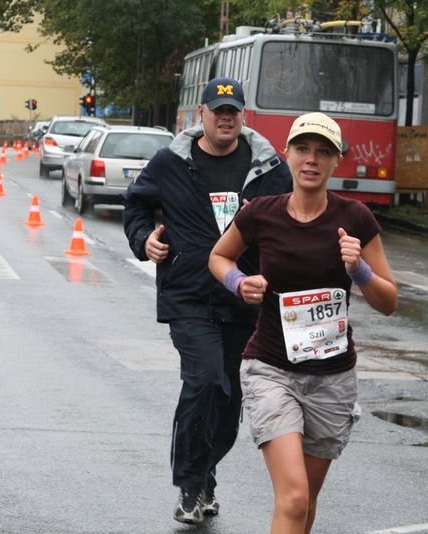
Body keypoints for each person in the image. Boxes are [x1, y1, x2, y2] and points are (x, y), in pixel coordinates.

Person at [208, 112, 398, 534]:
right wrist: (239, 282)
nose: (311, 159)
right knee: (293, 497)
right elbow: (218, 257)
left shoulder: (357, 219)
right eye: (303, 149)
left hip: (332, 379)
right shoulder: (261, 213)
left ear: (336, 162)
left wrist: (360, 270)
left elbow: (389, 301)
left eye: (323, 152)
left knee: (306, 501)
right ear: (287, 155)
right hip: (271, 370)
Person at [121, 77, 292, 525]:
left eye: (233, 111)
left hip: (246, 298)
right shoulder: (171, 162)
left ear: (243, 118)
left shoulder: (268, 167)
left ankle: (205, 472)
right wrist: (145, 242)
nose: (225, 118)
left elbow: (294, 218)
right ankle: (191, 484)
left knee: (230, 398)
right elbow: (136, 206)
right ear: (202, 114)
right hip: (189, 294)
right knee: (207, 381)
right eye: (217, 111)